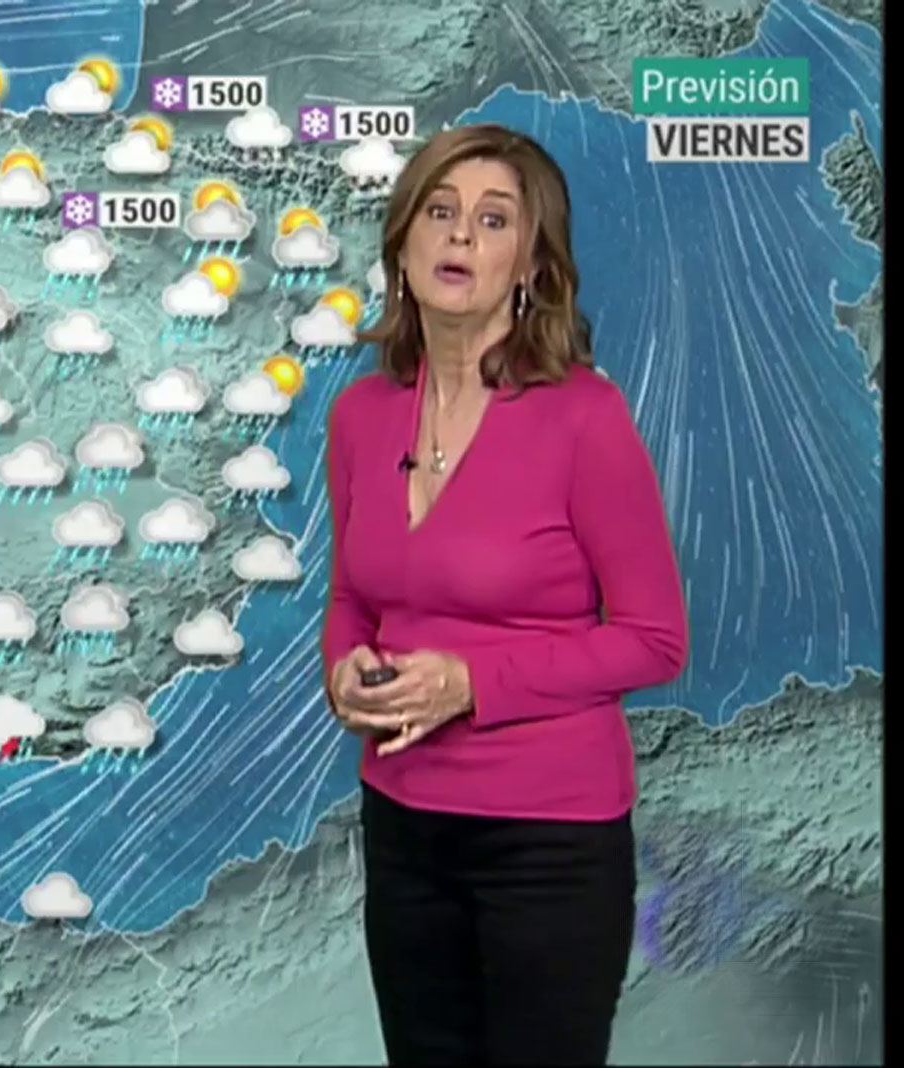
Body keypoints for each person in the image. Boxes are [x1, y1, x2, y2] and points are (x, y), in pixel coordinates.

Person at [322, 124, 689, 1066]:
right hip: (404, 827)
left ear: (529, 263)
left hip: (548, 843)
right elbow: (353, 596)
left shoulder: (584, 418)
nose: (460, 236)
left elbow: (653, 639)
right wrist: (343, 672)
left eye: (493, 221)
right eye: (440, 212)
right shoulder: (362, 416)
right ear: (403, 242)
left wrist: (471, 684)